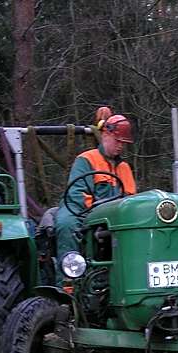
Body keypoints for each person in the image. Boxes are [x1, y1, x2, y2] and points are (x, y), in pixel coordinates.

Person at [55, 113, 137, 273]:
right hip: (80, 211)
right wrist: (99, 212)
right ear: (105, 135)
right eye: (117, 141)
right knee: (67, 225)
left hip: (112, 217)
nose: (120, 146)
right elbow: (77, 193)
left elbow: (130, 199)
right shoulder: (86, 160)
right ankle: (68, 279)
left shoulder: (124, 167)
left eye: (123, 143)